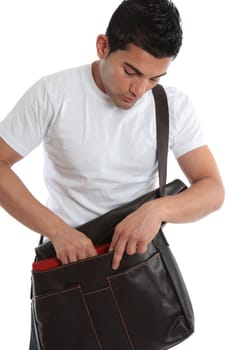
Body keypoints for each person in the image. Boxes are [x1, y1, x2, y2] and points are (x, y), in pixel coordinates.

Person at [0, 0, 224, 349]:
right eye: (131, 72)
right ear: (103, 46)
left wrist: (156, 211)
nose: (140, 90)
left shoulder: (172, 104)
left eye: (154, 78)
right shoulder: (53, 92)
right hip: (66, 269)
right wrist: (57, 231)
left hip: (138, 272)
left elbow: (213, 189)